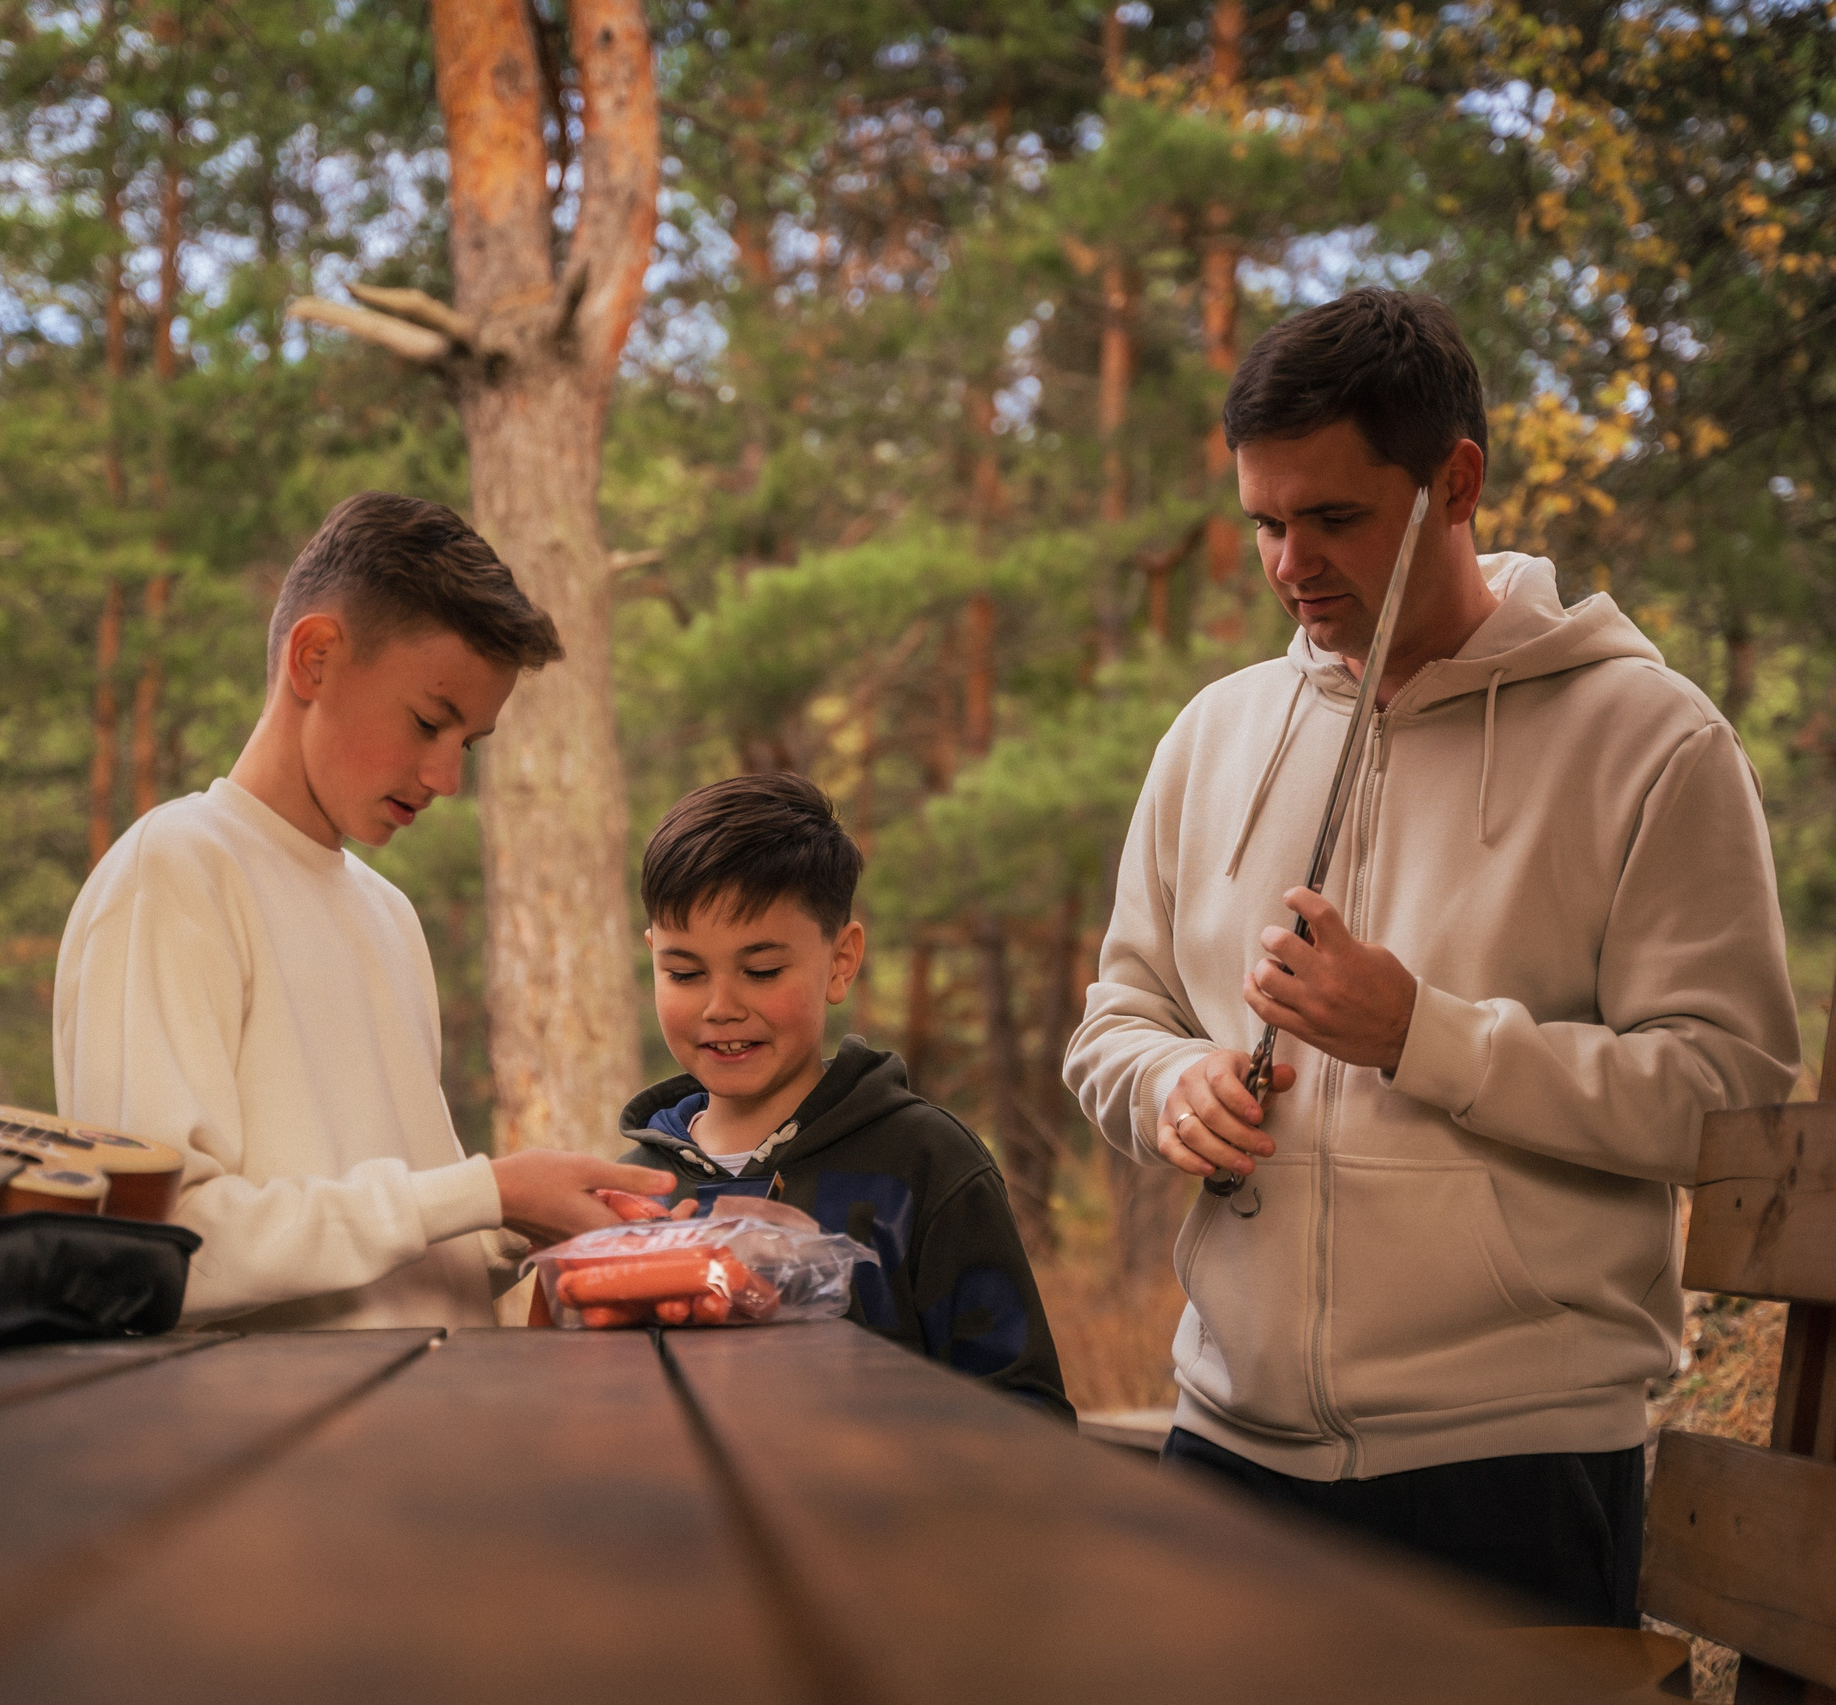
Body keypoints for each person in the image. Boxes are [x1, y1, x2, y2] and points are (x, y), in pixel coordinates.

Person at [1062, 288, 1799, 1625]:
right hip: (1223, 1442)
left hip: (1514, 1464)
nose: (1289, 564)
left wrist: (1424, 1036)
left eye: (1333, 518)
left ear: (1455, 482)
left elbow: (1726, 1098)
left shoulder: (1655, 742)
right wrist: (1171, 1084)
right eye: (1265, 523)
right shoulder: (1213, 734)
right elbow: (1117, 1017)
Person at [53, 492, 672, 1331]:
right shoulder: (173, 873)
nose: (447, 778)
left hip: (451, 1404)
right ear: (314, 658)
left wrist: (513, 1224)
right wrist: (484, 1191)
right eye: (428, 721)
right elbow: (160, 1250)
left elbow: (389, 1241)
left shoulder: (389, 916)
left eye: (467, 743)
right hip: (283, 1420)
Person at [616, 773, 1072, 1417]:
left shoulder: (927, 1164)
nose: (720, 1007)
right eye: (684, 973)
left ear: (840, 961)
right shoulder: (633, 1193)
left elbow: (1028, 1415)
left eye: (762, 971)